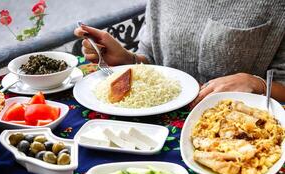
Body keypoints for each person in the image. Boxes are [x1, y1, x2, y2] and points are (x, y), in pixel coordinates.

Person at [74, 0, 285, 108]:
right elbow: (151, 61)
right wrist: (125, 58)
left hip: (232, 134)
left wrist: (256, 83)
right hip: (151, 123)